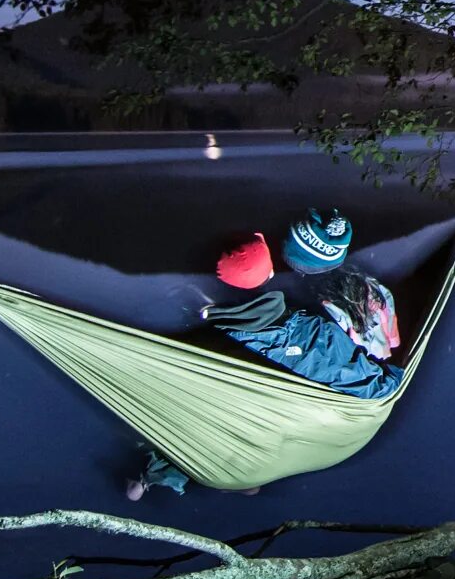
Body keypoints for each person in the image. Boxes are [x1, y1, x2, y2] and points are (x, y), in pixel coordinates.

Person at [123, 208, 413, 499]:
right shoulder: (365, 292)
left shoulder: (300, 325)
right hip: (337, 382)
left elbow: (342, 367)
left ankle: (174, 469)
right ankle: (187, 471)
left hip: (319, 385)